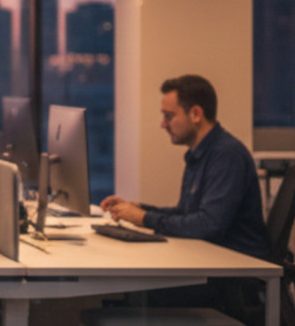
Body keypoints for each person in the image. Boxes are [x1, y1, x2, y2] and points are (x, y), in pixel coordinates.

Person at [101, 74, 267, 259]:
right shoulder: (199, 154)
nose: (163, 124)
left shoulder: (227, 155)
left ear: (196, 114)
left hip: (236, 269)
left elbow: (208, 225)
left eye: (169, 116)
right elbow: (186, 214)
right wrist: (138, 209)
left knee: (141, 279)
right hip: (213, 260)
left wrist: (143, 218)